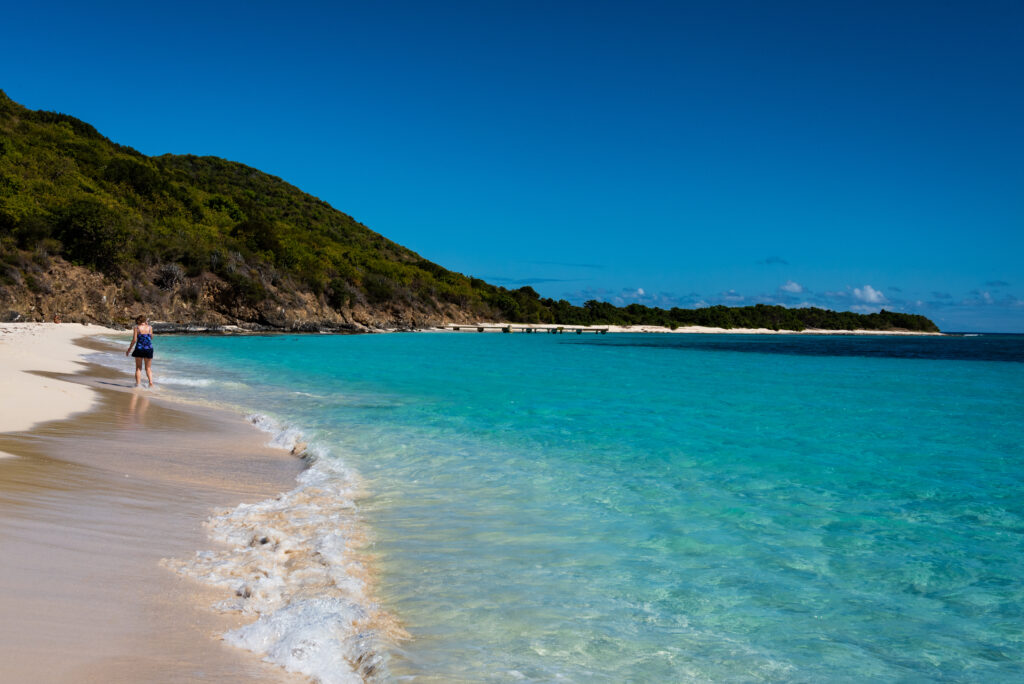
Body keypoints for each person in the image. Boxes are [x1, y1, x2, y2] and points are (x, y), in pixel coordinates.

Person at [125, 314, 156, 388]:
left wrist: (129, 349)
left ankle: (138, 385)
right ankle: (151, 382)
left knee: (138, 368)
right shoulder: (150, 327)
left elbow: (134, 340)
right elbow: (151, 337)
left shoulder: (137, 328)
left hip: (139, 349)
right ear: (145, 320)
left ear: (138, 321)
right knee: (148, 368)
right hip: (149, 349)